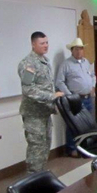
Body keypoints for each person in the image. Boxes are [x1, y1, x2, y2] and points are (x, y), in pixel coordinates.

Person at [18, 31, 64, 173]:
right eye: (42, 43)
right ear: (33, 44)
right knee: (36, 150)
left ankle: (41, 180)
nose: (46, 46)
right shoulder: (28, 64)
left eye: (47, 42)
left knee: (44, 149)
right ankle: (32, 185)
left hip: (44, 113)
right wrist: (51, 96)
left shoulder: (44, 61)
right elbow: (28, 90)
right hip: (33, 115)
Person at [54, 37, 95, 157]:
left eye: (81, 49)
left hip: (88, 98)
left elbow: (92, 75)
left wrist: (92, 86)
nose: (79, 51)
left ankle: (85, 147)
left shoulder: (86, 62)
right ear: (72, 50)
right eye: (76, 49)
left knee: (87, 124)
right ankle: (72, 148)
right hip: (75, 99)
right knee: (73, 124)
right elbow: (59, 82)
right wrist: (70, 95)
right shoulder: (66, 64)